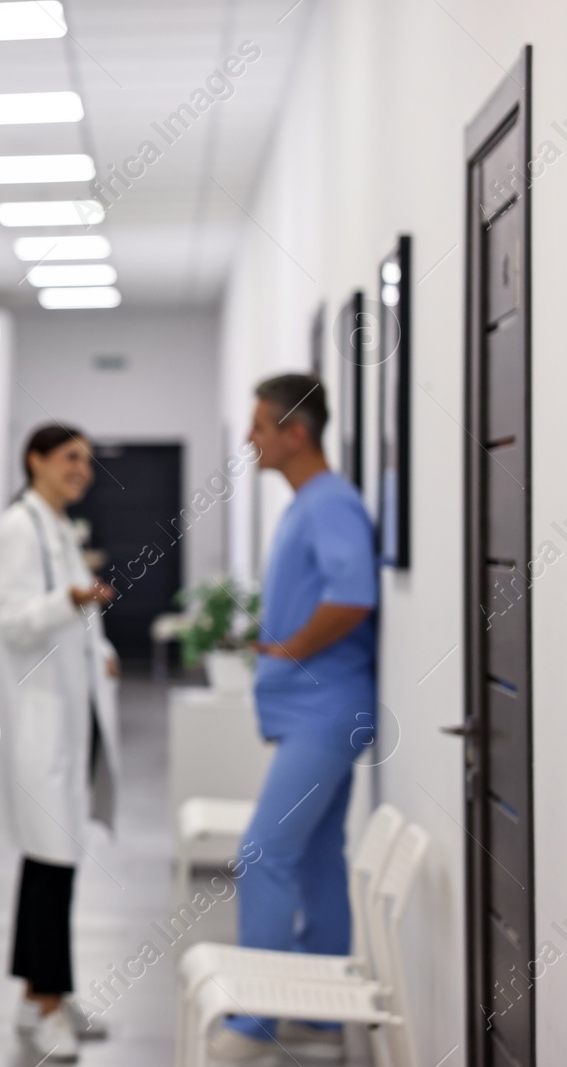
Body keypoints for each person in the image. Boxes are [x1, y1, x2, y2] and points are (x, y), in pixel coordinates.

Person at [208, 374, 377, 1065]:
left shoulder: (329, 502)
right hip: (319, 707)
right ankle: (320, 1012)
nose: (250, 439)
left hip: (325, 709)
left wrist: (291, 647)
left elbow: (353, 595)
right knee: (313, 857)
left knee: (263, 852)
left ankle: (256, 1021)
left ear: (295, 432)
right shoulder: (311, 502)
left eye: (258, 426)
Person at [0, 423, 121, 1061]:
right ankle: (44, 1005)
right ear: (34, 459)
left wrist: (104, 648)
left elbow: (73, 623)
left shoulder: (58, 525)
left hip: (69, 713)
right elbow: (13, 623)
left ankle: (43, 996)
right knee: (50, 866)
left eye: (87, 461)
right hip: (40, 724)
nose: (82, 470)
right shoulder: (20, 527)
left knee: (53, 864)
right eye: (69, 458)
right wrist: (70, 600)